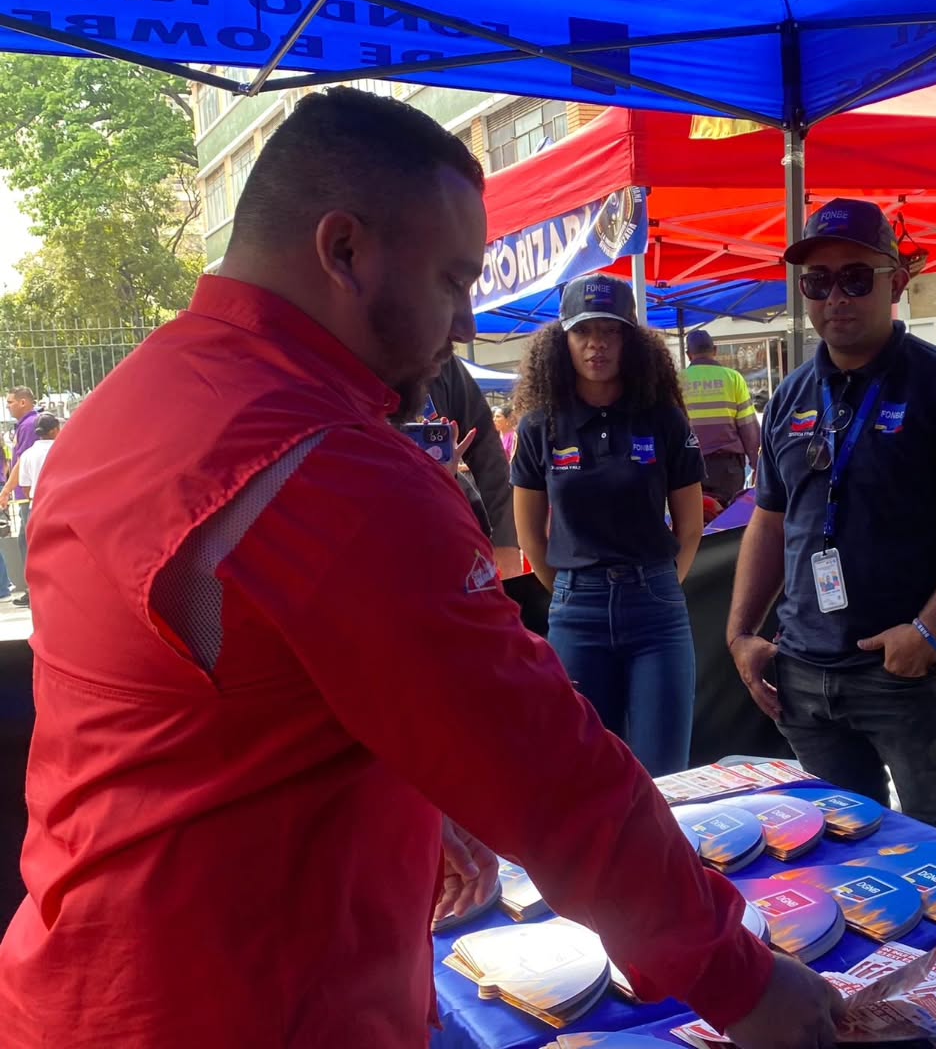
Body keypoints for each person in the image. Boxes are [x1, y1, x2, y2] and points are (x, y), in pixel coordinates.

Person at [0, 88, 842, 1048]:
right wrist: (741, 980)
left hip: (88, 980)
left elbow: (231, 699)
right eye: (452, 279)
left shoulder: (126, 403)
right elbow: (553, 775)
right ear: (344, 249)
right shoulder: (327, 467)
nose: (465, 321)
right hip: (250, 1005)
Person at [727, 198, 936, 841]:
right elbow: (770, 522)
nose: (837, 296)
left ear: (897, 283)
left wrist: (928, 633)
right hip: (803, 673)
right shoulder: (790, 397)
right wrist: (741, 633)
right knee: (838, 846)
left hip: (908, 673)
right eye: (817, 281)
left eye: (856, 277)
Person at [510, 274, 706, 777]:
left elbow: (690, 524)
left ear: (630, 340)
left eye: (611, 331)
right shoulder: (541, 425)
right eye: (583, 332)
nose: (596, 344)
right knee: (586, 773)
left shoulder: (663, 417)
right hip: (578, 612)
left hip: (656, 611)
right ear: (563, 340)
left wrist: (662, 585)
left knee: (666, 776)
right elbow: (529, 531)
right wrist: (570, 590)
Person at [424, 353, 523, 578]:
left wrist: (505, 542)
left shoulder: (442, 361)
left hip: (449, 547)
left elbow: (486, 451)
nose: (466, 332)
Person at [681, 328, 761, 506]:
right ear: (715, 350)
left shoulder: (677, 381)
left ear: (688, 354)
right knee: (727, 524)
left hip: (689, 467)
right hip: (728, 469)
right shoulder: (733, 378)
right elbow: (749, 429)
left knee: (693, 524)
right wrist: (758, 465)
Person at [2, 387, 38, 605]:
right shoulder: (26, 425)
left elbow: (23, 461)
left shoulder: (28, 425)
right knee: (24, 541)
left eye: (11, 402)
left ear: (23, 402)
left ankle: (33, 589)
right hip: (23, 492)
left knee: (27, 541)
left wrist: (10, 488)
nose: (8, 406)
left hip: (26, 493)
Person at [0, 413, 59, 512]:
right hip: (61, 505)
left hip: (38, 507)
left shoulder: (27, 455)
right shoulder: (64, 451)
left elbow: (26, 487)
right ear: (55, 430)